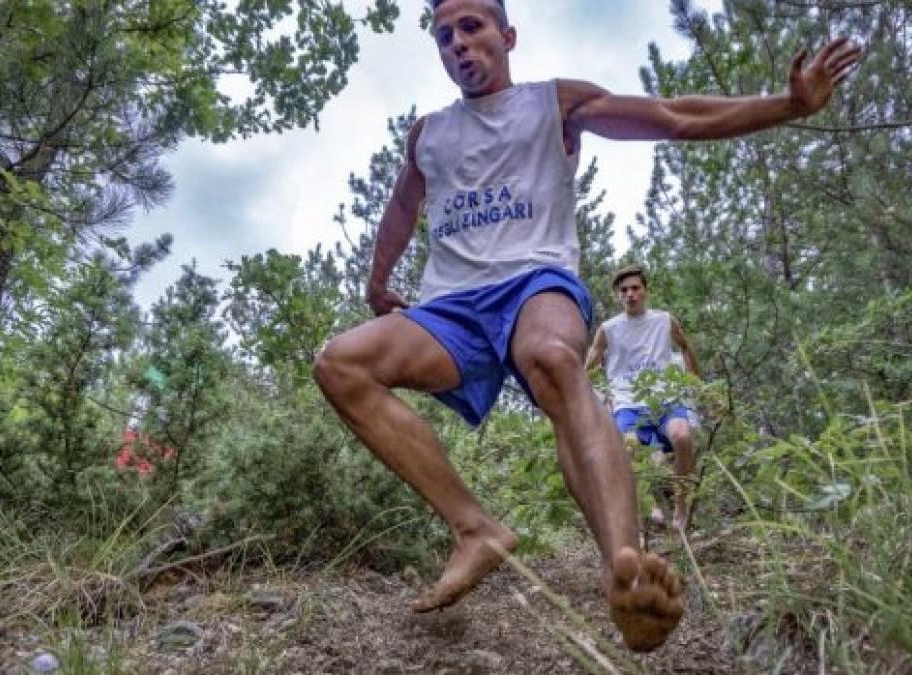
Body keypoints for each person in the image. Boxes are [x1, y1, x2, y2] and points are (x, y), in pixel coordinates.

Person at [312, 0, 859, 652]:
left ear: (507, 35)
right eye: (445, 33)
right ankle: (474, 528)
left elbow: (674, 116)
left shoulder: (554, 103)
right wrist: (378, 282)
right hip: (450, 308)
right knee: (340, 362)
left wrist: (788, 105)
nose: (459, 42)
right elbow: (403, 204)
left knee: (553, 359)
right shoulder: (428, 133)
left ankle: (624, 568)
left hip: (535, 282)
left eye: (473, 26)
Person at [584, 264, 703, 533]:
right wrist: (585, 402)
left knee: (682, 435)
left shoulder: (663, 320)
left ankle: (682, 508)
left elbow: (684, 345)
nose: (630, 294)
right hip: (628, 402)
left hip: (665, 398)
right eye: (624, 290)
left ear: (645, 291)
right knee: (629, 449)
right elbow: (588, 368)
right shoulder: (608, 329)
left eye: (635, 288)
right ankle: (649, 507)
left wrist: (697, 385)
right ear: (618, 296)